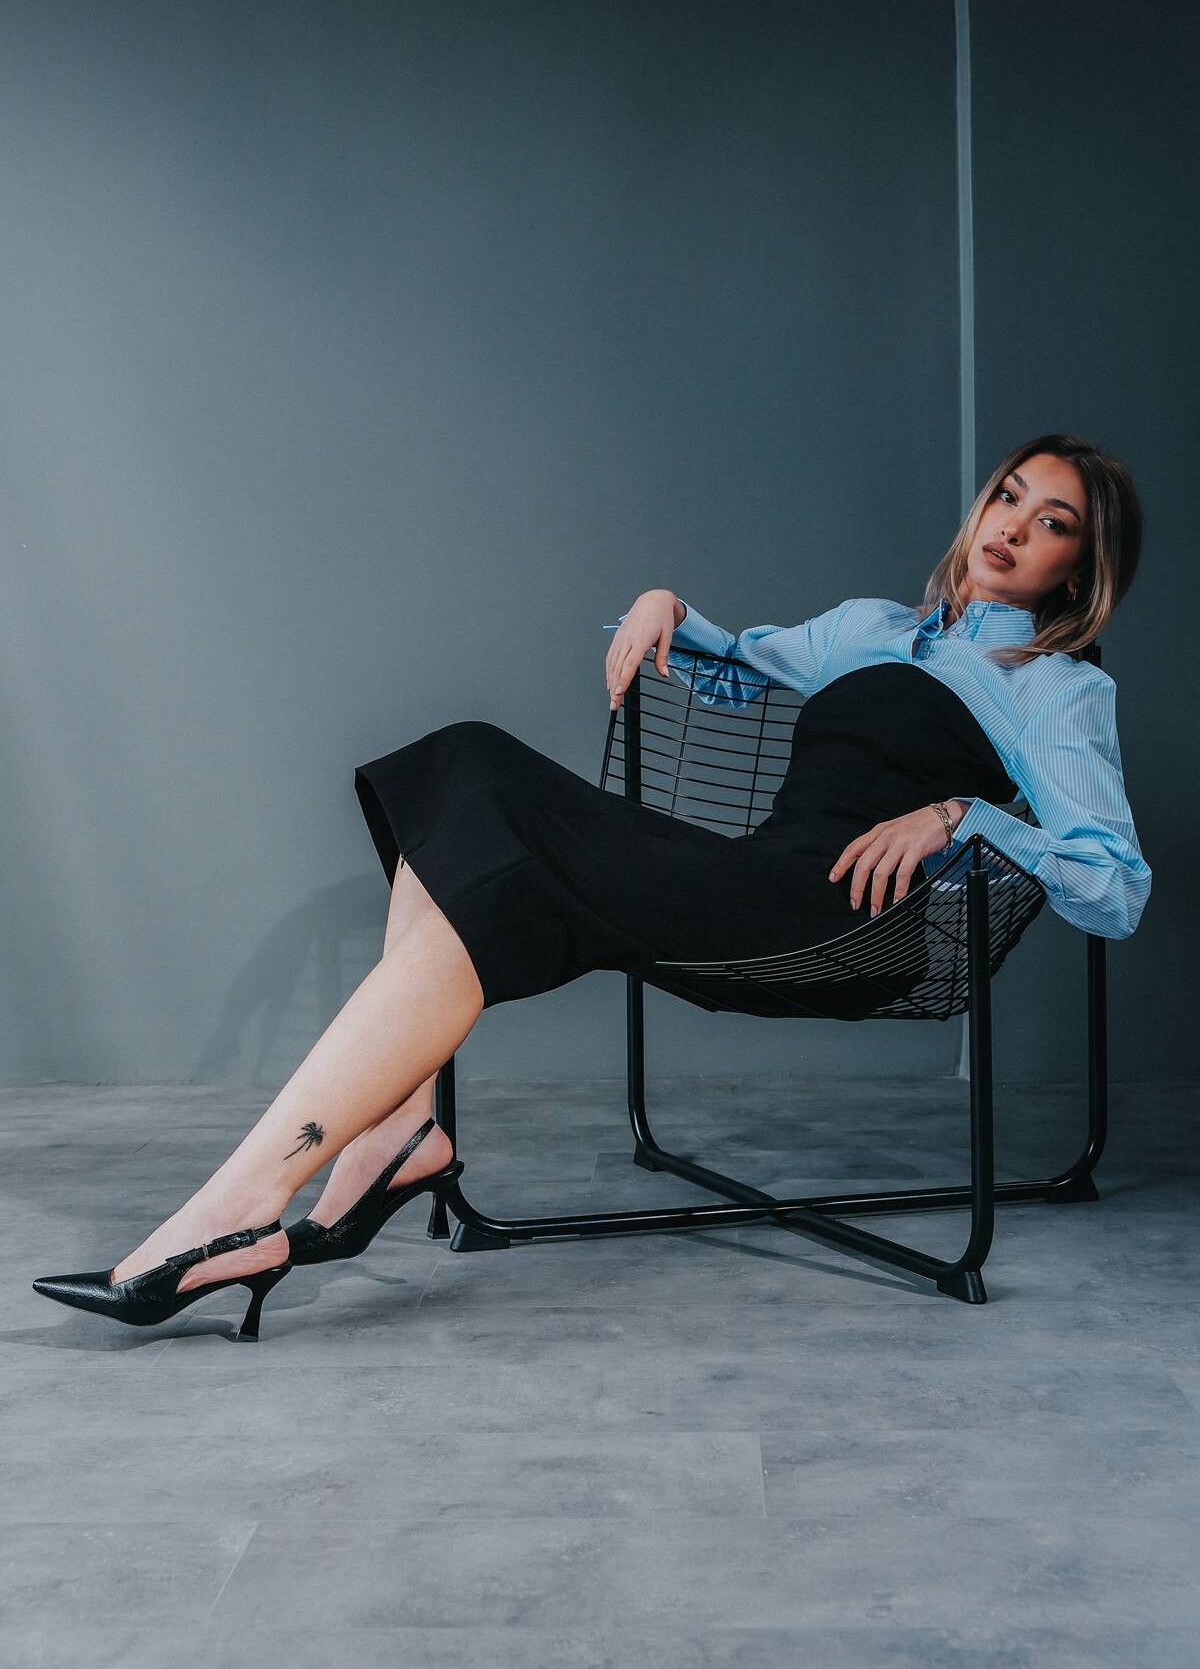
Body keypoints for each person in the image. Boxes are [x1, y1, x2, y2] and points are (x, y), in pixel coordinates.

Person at [32, 432, 1150, 1339]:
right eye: (1010, 495)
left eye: (1053, 522)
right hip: (754, 883)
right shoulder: (875, 629)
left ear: (1079, 570)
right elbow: (733, 663)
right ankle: (387, 1140)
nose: (1013, 525)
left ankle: (246, 1207)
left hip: (835, 928)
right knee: (465, 760)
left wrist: (962, 817)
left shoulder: (1054, 689)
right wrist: (667, 602)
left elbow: (1115, 886)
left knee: (501, 840)